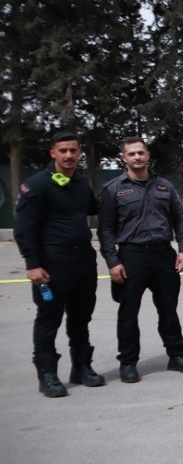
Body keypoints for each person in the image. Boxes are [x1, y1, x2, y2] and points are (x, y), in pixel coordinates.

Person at [98, 137, 183, 382]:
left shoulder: (164, 186)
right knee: (128, 312)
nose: (137, 157)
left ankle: (176, 356)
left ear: (148, 155)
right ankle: (128, 363)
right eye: (131, 154)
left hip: (164, 255)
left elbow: (179, 220)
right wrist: (112, 261)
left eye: (140, 153)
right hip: (131, 256)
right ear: (124, 158)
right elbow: (105, 230)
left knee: (168, 310)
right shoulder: (113, 189)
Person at [15, 131, 103, 397]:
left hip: (83, 260)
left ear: (79, 154)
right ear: (52, 152)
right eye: (63, 150)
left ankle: (82, 368)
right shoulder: (37, 185)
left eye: (73, 151)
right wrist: (32, 264)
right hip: (52, 264)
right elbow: (24, 229)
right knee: (48, 318)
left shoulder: (79, 182)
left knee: (81, 317)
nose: (69, 155)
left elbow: (94, 208)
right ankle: (48, 375)